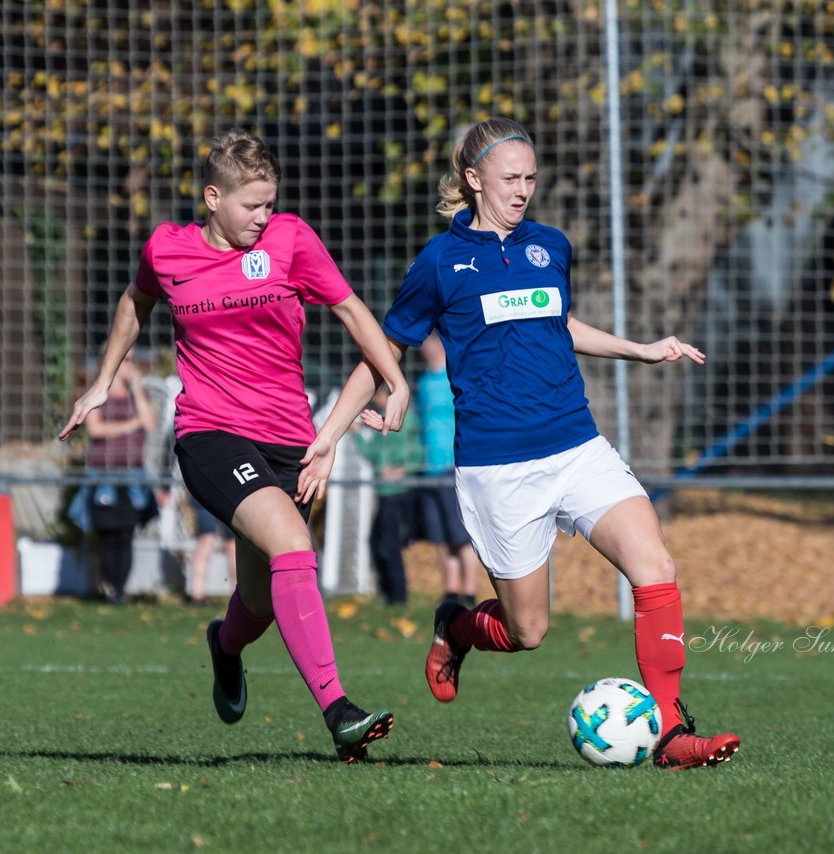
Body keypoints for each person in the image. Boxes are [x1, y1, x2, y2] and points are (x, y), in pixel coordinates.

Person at [306, 117, 740, 770]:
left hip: (576, 445)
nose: (524, 190)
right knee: (526, 630)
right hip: (498, 468)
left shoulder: (550, 245)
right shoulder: (440, 262)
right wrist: (331, 435)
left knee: (657, 568)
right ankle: (457, 627)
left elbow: (557, 321)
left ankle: (673, 732)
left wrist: (640, 351)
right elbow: (381, 350)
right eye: (511, 178)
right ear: (474, 180)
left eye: (532, 178)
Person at [60, 129, 410, 763]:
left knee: (259, 601)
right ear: (212, 198)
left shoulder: (292, 241)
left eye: (269, 203)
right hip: (210, 434)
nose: (263, 216)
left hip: (289, 438)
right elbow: (135, 303)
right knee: (293, 543)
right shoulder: (167, 249)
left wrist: (394, 379)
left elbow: (354, 310)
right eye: (251, 205)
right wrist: (101, 383)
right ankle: (339, 711)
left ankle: (224, 646)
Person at [70, 352, 159, 604]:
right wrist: (132, 425)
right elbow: (95, 428)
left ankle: (118, 590)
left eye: (132, 361)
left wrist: (138, 388)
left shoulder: (137, 395)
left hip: (133, 475)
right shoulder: (99, 393)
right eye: (126, 360)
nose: (130, 366)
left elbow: (150, 423)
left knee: (126, 533)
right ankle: (108, 587)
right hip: (104, 474)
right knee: (107, 533)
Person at [415, 333, 482, 609]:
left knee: (460, 534)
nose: (424, 347)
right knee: (440, 536)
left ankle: (470, 591)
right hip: (428, 468)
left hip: (453, 466)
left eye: (430, 341)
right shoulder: (422, 384)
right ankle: (451, 591)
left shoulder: (455, 376)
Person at [353, 384, 425, 605]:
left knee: (392, 544)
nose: (375, 400)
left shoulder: (407, 418)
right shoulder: (381, 421)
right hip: (384, 491)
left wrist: (401, 469)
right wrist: (356, 434)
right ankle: (388, 594)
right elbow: (372, 455)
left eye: (378, 395)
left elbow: (415, 453)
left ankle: (398, 597)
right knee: (375, 542)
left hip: (398, 492)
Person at [185, 493, 236, 606]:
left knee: (233, 543)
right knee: (207, 539)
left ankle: (238, 596)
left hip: (229, 490)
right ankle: (198, 595)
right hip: (204, 489)